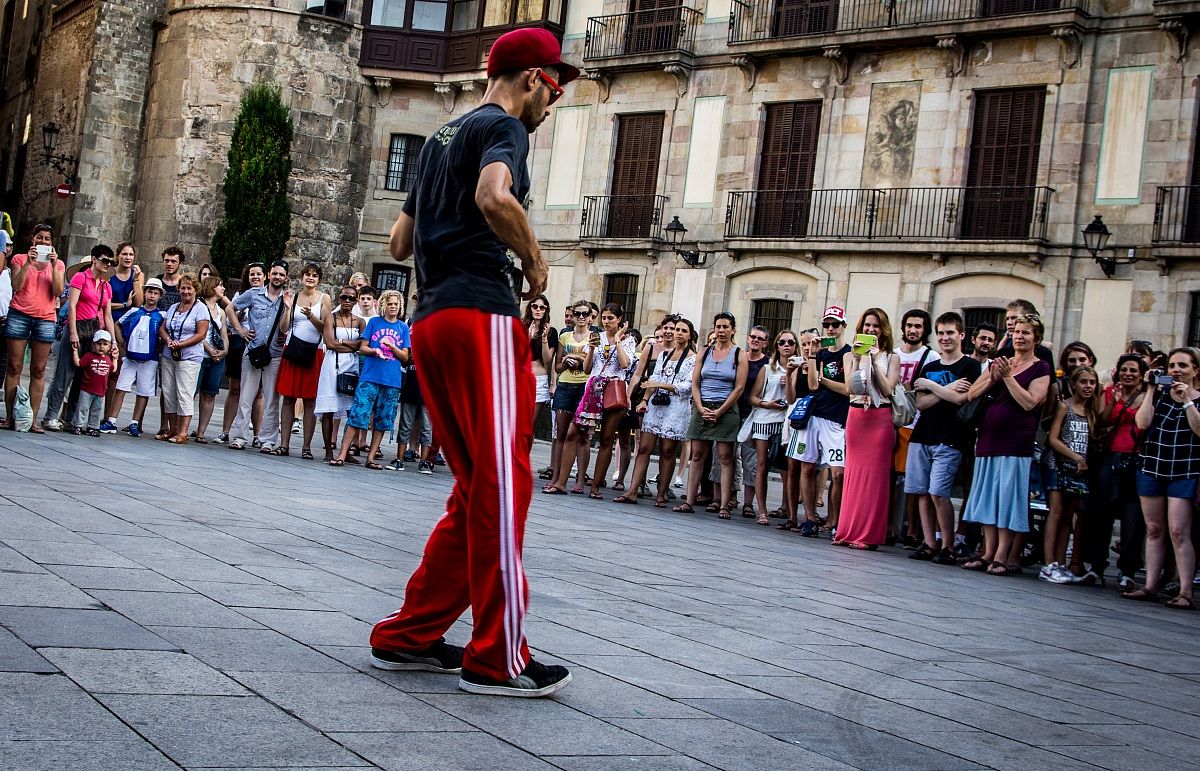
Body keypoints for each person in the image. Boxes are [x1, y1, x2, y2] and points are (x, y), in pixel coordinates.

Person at [369, 28, 577, 698]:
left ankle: (409, 634)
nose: (556, 102)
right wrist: (536, 260)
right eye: (556, 87)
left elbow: (398, 242)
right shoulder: (505, 128)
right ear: (534, 80)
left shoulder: (436, 139)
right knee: (505, 485)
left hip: (429, 320)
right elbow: (494, 196)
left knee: (475, 490)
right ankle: (498, 656)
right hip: (479, 315)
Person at [960, 314, 1051, 576]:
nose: (1020, 337)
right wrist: (993, 377)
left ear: (1036, 338)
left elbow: (1030, 402)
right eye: (1017, 332)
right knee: (988, 496)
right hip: (989, 438)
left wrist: (1009, 377)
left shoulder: (1040, 367)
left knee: (1007, 498)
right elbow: (971, 394)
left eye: (1026, 333)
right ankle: (987, 552)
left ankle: (1002, 555)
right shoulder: (1001, 362)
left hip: (1016, 441)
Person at [1124, 347, 1200, 610]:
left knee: (1179, 531)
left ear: (1195, 370)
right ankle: (1150, 585)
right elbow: (1142, 423)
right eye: (1172, 365)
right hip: (1152, 466)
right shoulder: (1160, 396)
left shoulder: (1198, 398)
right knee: (1154, 529)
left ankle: (1186, 591)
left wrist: (1188, 400)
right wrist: (1151, 391)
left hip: (1185, 470)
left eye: (1183, 365)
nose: (1176, 370)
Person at [906, 312, 980, 565]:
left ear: (961, 335)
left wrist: (933, 385)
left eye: (950, 333)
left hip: (950, 438)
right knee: (922, 492)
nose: (945, 338)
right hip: (923, 434)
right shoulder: (930, 367)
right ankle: (929, 543)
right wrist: (947, 389)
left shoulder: (970, 366)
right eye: (940, 333)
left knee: (939, 492)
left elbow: (962, 399)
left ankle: (948, 545)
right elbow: (922, 404)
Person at [833, 309, 901, 549]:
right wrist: (860, 359)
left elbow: (888, 390)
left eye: (876, 326)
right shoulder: (850, 356)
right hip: (856, 417)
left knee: (875, 478)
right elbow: (851, 388)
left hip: (880, 417)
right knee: (852, 475)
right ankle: (847, 530)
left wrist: (874, 361)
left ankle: (868, 536)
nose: (871, 330)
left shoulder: (892, 357)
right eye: (867, 326)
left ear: (883, 330)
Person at [675, 311, 749, 519]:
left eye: (726, 327)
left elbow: (739, 388)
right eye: (718, 326)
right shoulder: (704, 352)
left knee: (725, 457)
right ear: (714, 329)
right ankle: (689, 500)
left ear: (733, 329)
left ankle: (724, 504)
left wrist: (719, 411)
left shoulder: (739, 354)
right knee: (697, 455)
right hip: (703, 406)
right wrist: (700, 407)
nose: (722, 330)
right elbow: (695, 383)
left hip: (726, 408)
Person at [619, 316, 695, 506]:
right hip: (656, 404)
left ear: (690, 335)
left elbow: (687, 386)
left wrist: (661, 384)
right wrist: (644, 399)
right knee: (644, 447)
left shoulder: (693, 358)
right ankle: (633, 490)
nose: (678, 333)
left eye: (683, 331)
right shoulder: (663, 355)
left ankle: (661, 494)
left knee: (668, 451)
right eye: (677, 330)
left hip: (676, 407)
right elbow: (653, 378)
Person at [1087, 354, 1148, 589]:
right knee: (1101, 514)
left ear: (1141, 374)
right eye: (1124, 369)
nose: (1128, 374)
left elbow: (1144, 424)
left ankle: (1127, 570)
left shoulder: (1147, 396)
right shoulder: (1110, 392)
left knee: (1133, 518)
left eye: (1133, 370)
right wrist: (1114, 401)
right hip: (1109, 458)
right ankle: (1097, 566)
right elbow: (1101, 420)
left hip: (1135, 459)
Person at [332, 289, 409, 468]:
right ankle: (342, 454)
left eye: (396, 304)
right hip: (370, 377)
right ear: (383, 305)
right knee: (358, 416)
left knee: (382, 420)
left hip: (391, 380)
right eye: (390, 303)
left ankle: (371, 457)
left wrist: (392, 347)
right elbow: (362, 348)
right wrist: (375, 350)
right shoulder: (374, 322)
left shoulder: (403, 327)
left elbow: (405, 357)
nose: (393, 307)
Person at [43, 245, 117, 430]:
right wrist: (73, 332)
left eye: (110, 261)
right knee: (64, 374)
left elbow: (107, 315)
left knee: (83, 376)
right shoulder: (81, 277)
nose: (107, 264)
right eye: (104, 260)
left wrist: (113, 341)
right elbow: (72, 306)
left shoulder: (106, 286)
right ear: (94, 259)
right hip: (76, 328)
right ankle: (51, 415)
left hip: (93, 332)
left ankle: (71, 418)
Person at [1041, 365, 1101, 584]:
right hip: (1057, 464)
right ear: (1074, 384)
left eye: (1092, 383)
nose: (1088, 386)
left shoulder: (1092, 411)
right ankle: (1048, 565)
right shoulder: (1064, 407)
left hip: (1078, 471)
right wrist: (1075, 456)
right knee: (1056, 513)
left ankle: (1060, 562)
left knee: (1068, 517)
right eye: (1083, 382)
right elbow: (1053, 438)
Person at [795, 306, 852, 537]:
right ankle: (809, 518)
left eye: (835, 324)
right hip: (815, 414)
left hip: (836, 419)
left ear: (843, 326)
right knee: (807, 466)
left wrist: (824, 379)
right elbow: (812, 385)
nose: (830, 329)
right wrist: (812, 355)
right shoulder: (820, 352)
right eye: (827, 324)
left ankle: (833, 519)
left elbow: (848, 389)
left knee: (838, 473)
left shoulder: (848, 353)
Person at [224, 259, 288, 452]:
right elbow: (229, 308)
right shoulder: (253, 294)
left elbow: (285, 328)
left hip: (274, 355)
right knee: (245, 396)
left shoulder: (287, 298)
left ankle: (267, 439)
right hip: (252, 351)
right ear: (269, 274)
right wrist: (240, 330)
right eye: (274, 273)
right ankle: (239, 436)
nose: (277, 277)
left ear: (286, 278)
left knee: (271, 398)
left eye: (281, 275)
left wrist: (288, 307)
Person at [275, 262, 331, 459]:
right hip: (293, 349)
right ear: (302, 277)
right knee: (288, 398)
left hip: (313, 352)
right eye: (307, 274)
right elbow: (283, 328)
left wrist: (311, 317)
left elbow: (326, 328)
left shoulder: (324, 298)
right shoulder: (294, 297)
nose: (310, 278)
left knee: (309, 401)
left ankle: (306, 447)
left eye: (314, 275)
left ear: (319, 280)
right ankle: (284, 444)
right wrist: (288, 308)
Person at [739, 329, 795, 525]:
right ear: (776, 345)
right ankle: (762, 510)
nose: (786, 345)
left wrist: (789, 378)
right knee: (761, 464)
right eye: (782, 342)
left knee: (786, 466)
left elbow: (794, 398)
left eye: (790, 342)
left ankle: (787, 509)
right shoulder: (767, 369)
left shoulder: (798, 368)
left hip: (785, 421)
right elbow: (752, 397)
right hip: (764, 418)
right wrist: (767, 404)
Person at [580, 304, 636, 499]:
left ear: (619, 319)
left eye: (611, 318)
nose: (606, 321)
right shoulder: (596, 337)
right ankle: (580, 480)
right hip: (595, 388)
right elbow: (587, 369)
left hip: (615, 389)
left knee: (606, 438)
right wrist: (591, 349)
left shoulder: (628, 340)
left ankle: (596, 485)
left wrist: (618, 341)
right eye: (604, 317)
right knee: (581, 433)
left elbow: (624, 364)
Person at [542, 301, 595, 492]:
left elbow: (590, 367)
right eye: (577, 314)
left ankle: (580, 480)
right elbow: (556, 367)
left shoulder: (594, 337)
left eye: (585, 314)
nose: (581, 317)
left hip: (585, 387)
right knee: (560, 434)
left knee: (582, 436)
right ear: (572, 316)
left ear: (591, 317)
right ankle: (556, 476)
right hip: (565, 385)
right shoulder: (565, 336)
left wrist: (579, 360)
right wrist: (565, 362)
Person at [109, 278, 166, 436]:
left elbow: (165, 332)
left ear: (160, 295)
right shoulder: (134, 311)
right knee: (121, 387)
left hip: (150, 359)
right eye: (149, 292)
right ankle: (112, 420)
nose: (152, 296)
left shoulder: (162, 315)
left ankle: (135, 422)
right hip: (131, 356)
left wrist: (160, 346)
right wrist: (121, 342)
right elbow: (117, 324)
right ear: (145, 293)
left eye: (155, 293)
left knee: (143, 391)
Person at [157, 274, 209, 444]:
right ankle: (172, 429)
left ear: (195, 290)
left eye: (189, 288)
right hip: (169, 353)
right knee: (169, 391)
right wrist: (168, 340)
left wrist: (182, 344)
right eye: (183, 288)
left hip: (189, 356)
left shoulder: (200, 308)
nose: (185, 291)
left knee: (184, 392)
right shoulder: (173, 307)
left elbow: (201, 334)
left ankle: (183, 432)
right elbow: (163, 328)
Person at [315, 286, 364, 462]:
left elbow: (362, 344)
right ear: (340, 298)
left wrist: (342, 341)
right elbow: (330, 343)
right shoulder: (331, 317)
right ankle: (329, 449)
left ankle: (346, 450)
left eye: (351, 298)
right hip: (332, 365)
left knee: (351, 409)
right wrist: (350, 344)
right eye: (344, 297)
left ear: (356, 300)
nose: (347, 301)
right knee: (329, 408)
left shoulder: (359, 321)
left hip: (351, 366)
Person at [219, 263, 264, 444]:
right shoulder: (241, 295)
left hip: (259, 346)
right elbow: (230, 316)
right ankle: (226, 431)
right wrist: (240, 329)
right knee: (235, 388)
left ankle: (257, 435)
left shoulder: (270, 296)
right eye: (252, 274)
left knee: (259, 393)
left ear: (264, 276)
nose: (255, 277)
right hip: (240, 343)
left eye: (258, 274)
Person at [100, 243, 143, 432]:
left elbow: (139, 303)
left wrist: (136, 281)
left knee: (116, 374)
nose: (127, 257)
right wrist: (124, 304)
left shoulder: (136, 277)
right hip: (108, 324)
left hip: (126, 329)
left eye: (131, 254)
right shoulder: (109, 275)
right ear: (118, 256)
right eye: (124, 254)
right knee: (102, 369)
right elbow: (103, 302)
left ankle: (108, 415)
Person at [779, 329, 819, 531]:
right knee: (792, 466)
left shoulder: (820, 364)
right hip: (798, 418)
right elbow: (791, 398)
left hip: (816, 418)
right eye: (803, 344)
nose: (806, 347)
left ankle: (810, 516)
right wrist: (788, 372)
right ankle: (792, 516)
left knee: (809, 467)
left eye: (810, 343)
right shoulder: (796, 366)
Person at [731, 325, 770, 516]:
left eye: (760, 338)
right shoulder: (739, 357)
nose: (755, 340)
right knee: (726, 455)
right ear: (747, 338)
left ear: (765, 343)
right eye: (753, 336)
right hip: (733, 411)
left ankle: (748, 503)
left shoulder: (767, 364)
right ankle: (727, 496)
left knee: (751, 460)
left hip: (753, 414)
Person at [193, 275, 230, 443]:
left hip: (216, 358)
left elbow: (224, 334)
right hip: (200, 354)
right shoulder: (199, 306)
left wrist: (224, 351)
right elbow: (198, 333)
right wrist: (210, 349)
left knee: (210, 394)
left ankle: (201, 431)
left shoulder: (221, 311)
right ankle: (183, 427)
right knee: (192, 391)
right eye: (220, 285)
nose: (223, 289)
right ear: (211, 287)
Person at [71, 329, 115, 436]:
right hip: (87, 389)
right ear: (93, 345)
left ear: (109, 347)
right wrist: (75, 352)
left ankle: (93, 427)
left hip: (100, 391)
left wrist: (115, 358)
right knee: (82, 408)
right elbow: (78, 363)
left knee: (97, 410)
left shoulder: (108, 360)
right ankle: (78, 425)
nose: (101, 347)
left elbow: (113, 369)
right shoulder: (89, 356)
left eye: (105, 344)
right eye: (98, 344)